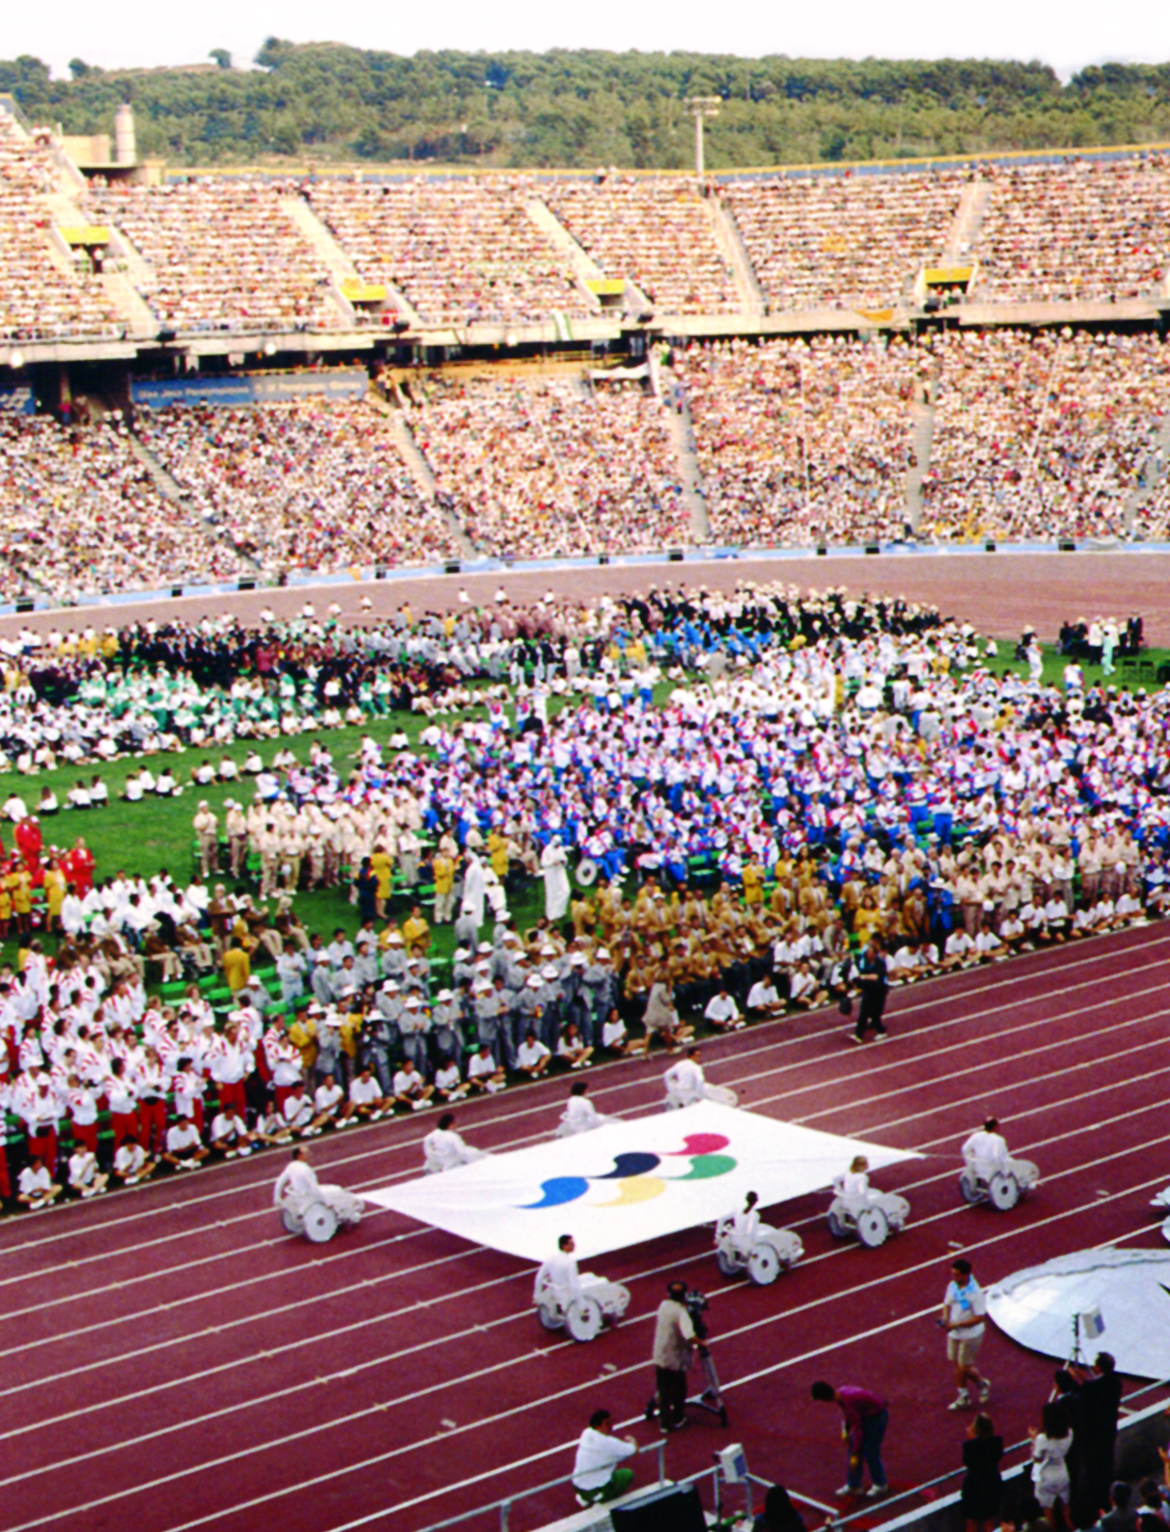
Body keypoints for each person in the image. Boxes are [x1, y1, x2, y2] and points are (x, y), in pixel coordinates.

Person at [810, 1380, 889, 1499]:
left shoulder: (848, 1401)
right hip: (866, 1415)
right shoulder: (842, 1393)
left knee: (870, 1452)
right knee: (853, 1452)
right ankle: (854, 1485)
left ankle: (880, 1484)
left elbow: (859, 1430)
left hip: (877, 1418)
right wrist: (847, 1430)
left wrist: (856, 1452)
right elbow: (850, 1416)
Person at [1069, 1353, 1123, 1520]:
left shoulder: (1095, 1388)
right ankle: (1106, 1496)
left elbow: (1086, 1395)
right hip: (1109, 1430)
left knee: (1094, 1468)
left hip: (1095, 1435)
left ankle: (1098, 1501)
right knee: (1107, 1463)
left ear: (1098, 1367)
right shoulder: (1115, 1383)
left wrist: (1080, 1380)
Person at [942, 1257, 991, 1411]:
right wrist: (945, 1319)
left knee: (964, 1367)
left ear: (965, 1274)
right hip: (954, 1332)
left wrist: (956, 1324)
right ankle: (963, 1395)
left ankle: (982, 1384)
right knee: (956, 1365)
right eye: (953, 1274)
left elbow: (979, 1317)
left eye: (957, 1275)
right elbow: (946, 1304)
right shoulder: (952, 1286)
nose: (954, 1278)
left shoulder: (976, 1293)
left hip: (971, 1335)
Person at [273, 1145, 363, 1227]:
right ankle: (348, 1215)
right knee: (338, 1191)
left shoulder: (291, 1166)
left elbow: (280, 1181)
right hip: (310, 1196)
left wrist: (277, 1197)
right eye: (307, 1153)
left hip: (299, 1196)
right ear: (299, 1156)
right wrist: (327, 1202)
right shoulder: (306, 1170)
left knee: (333, 1189)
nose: (310, 1154)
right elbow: (315, 1189)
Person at [651, 1279, 695, 1432]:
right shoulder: (681, 1313)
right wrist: (702, 1342)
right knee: (679, 1388)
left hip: (660, 1354)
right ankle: (678, 1417)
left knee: (663, 1389)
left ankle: (664, 1422)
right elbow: (689, 1335)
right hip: (675, 1357)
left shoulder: (663, 1306)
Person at [571, 1408, 637, 1508]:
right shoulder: (608, 1443)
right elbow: (633, 1450)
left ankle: (585, 1497)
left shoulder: (586, 1433)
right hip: (594, 1489)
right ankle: (599, 1498)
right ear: (598, 1426)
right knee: (627, 1474)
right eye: (607, 1424)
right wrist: (633, 1440)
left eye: (611, 1422)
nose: (611, 1426)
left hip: (577, 1485)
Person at [1029, 1400, 1073, 1529]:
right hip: (1062, 1473)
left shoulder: (1042, 1439)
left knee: (1048, 1514)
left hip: (1046, 1478)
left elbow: (1037, 1459)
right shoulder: (1069, 1433)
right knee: (1066, 1509)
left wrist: (1033, 1440)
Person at [960, 1413, 1004, 1532]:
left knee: (972, 1522)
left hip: (974, 1487)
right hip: (991, 1484)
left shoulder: (969, 1446)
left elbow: (967, 1461)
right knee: (989, 1520)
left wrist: (971, 1440)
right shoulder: (997, 1442)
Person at [663, 1046, 736, 1108]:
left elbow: (666, 1075)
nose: (699, 1058)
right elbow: (700, 1080)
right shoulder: (696, 1067)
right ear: (691, 1056)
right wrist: (699, 1093)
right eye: (697, 1056)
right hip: (692, 1090)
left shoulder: (680, 1064)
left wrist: (670, 1088)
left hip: (682, 1091)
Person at [851, 938, 890, 1043]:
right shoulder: (867, 963)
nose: (868, 954)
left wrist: (863, 977)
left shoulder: (880, 963)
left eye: (870, 952)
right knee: (864, 1012)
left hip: (879, 991)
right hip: (869, 990)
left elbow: (875, 977)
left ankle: (881, 1031)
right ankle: (859, 1035)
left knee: (875, 1013)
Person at [422, 1112, 487, 1173]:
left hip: (444, 1169)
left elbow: (428, 1152)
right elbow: (463, 1152)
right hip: (456, 1168)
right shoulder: (453, 1137)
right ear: (450, 1125)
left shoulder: (430, 1137)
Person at [534, 1232, 582, 1313]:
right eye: (571, 1243)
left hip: (555, 1292)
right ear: (564, 1246)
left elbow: (539, 1278)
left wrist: (537, 1295)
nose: (574, 1245)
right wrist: (580, 1304)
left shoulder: (550, 1259)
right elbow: (574, 1284)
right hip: (567, 1295)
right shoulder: (570, 1262)